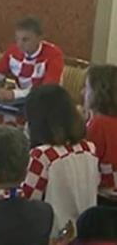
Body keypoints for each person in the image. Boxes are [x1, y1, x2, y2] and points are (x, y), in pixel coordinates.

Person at [22, 84, 99, 233]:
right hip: (82, 232)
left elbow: (26, 205)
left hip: (51, 236)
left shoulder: (42, 156)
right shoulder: (89, 148)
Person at [0, 17, 64, 101]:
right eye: (17, 39)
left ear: (39, 38)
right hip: (21, 101)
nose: (19, 44)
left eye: (25, 40)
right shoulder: (12, 52)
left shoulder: (53, 54)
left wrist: (14, 94)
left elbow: (47, 91)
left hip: (47, 102)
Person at [84, 64, 117, 193]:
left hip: (104, 193)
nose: (82, 93)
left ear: (98, 92)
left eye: (86, 88)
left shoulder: (99, 124)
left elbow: (85, 161)